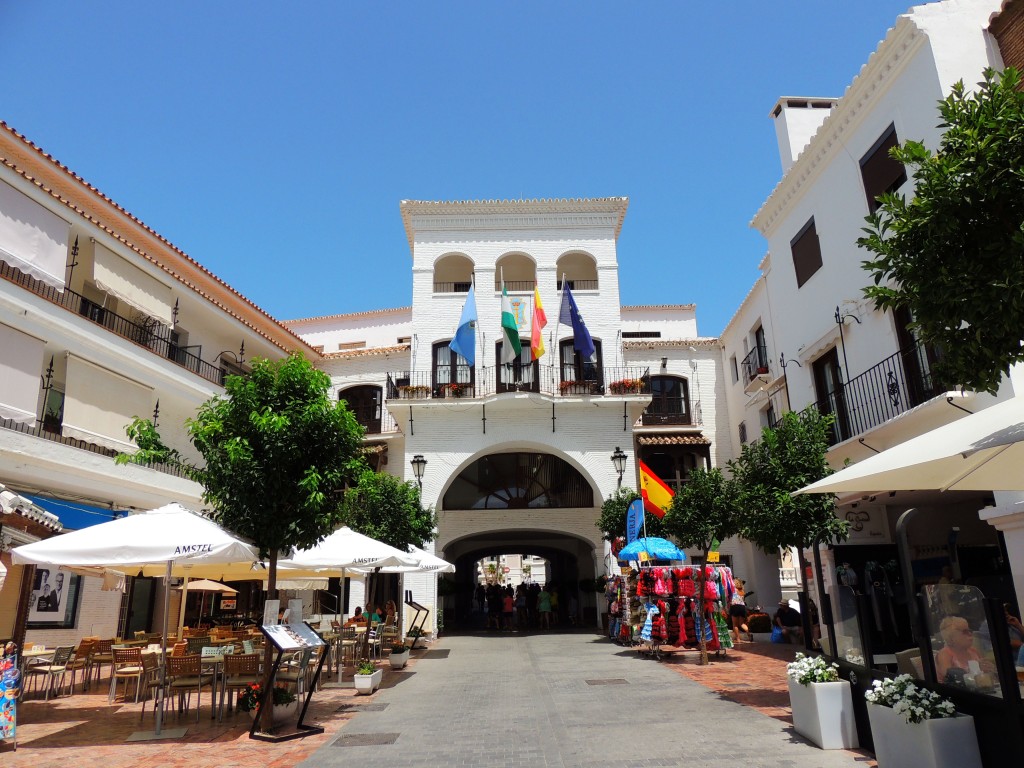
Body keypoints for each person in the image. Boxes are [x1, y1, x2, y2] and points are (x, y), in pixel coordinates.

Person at [935, 615, 994, 684]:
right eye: (965, 631)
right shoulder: (944, 654)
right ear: (951, 637)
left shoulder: (974, 651)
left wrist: (990, 670)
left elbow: (984, 676)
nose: (970, 634)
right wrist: (976, 668)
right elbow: (949, 677)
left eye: (970, 630)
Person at [729, 578, 749, 644]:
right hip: (742, 607)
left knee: (735, 624)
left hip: (735, 606)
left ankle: (738, 639)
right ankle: (749, 633)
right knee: (742, 624)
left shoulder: (732, 590)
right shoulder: (742, 591)